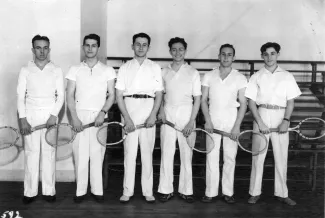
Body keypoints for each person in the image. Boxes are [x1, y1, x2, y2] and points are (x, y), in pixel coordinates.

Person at [245, 42, 301, 206]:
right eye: (266, 54)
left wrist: (286, 120)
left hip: (280, 116)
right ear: (262, 56)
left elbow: (290, 102)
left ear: (278, 55)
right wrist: (260, 121)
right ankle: (254, 192)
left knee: (281, 157)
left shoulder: (287, 76)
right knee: (258, 156)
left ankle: (282, 193)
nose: (269, 57)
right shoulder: (256, 76)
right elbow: (251, 102)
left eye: (273, 53)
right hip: (261, 115)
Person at [66, 34, 116, 203]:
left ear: (98, 48)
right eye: (87, 45)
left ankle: (97, 191)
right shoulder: (74, 69)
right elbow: (70, 96)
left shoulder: (108, 70)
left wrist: (103, 113)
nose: (90, 48)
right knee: (80, 155)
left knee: (97, 154)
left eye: (93, 45)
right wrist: (74, 118)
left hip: (99, 118)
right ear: (83, 47)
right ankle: (80, 191)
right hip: (79, 117)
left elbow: (112, 95)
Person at [115, 32, 163, 203]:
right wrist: (126, 118)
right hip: (129, 108)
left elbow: (158, 95)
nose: (141, 47)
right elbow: (119, 96)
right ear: (132, 46)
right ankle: (127, 191)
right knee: (129, 153)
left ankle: (148, 191)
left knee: (147, 153)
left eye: (144, 44)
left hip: (148, 108)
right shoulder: (124, 67)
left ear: (148, 47)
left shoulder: (155, 67)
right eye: (138, 44)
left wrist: (153, 115)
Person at [17, 35, 64, 204]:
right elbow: (20, 97)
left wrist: (53, 115)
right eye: (38, 48)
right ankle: (29, 192)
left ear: (49, 50)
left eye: (45, 48)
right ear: (33, 50)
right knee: (31, 153)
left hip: (50, 116)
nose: (42, 51)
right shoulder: (25, 70)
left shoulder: (56, 70)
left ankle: (49, 191)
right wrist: (23, 119)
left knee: (49, 154)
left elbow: (60, 97)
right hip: (30, 116)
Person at [201, 44, 247, 204]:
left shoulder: (240, 78)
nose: (226, 57)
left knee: (229, 158)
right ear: (218, 56)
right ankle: (210, 192)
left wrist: (237, 126)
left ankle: (228, 192)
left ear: (234, 57)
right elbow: (203, 101)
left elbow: (243, 103)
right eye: (223, 54)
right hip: (212, 123)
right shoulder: (209, 76)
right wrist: (207, 120)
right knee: (211, 157)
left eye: (229, 55)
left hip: (231, 123)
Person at [157, 37, 201, 203]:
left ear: (185, 51)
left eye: (180, 49)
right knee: (167, 153)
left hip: (187, 114)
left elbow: (197, 99)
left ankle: (186, 190)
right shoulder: (163, 71)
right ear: (170, 51)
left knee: (186, 154)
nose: (177, 52)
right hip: (168, 114)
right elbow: (160, 96)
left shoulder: (193, 72)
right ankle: (165, 189)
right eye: (174, 49)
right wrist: (161, 112)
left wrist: (191, 121)